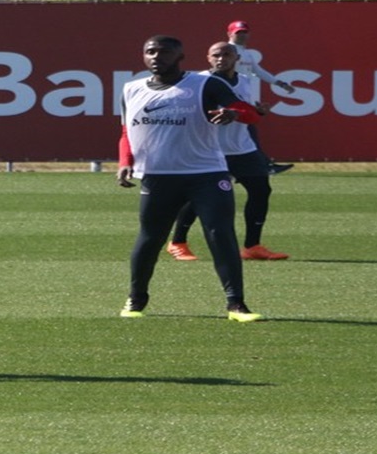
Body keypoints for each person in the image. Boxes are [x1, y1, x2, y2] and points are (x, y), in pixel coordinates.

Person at [116, 35, 263, 322]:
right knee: (150, 239)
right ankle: (136, 300)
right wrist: (125, 162)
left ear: (180, 56)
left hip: (205, 174)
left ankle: (236, 305)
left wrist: (232, 113)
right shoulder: (131, 89)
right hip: (158, 177)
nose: (156, 56)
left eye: (165, 52)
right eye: (150, 51)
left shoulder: (204, 83)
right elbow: (126, 132)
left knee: (220, 234)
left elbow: (249, 113)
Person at [166, 42, 290, 263]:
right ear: (208, 57)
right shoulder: (199, 81)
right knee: (197, 198)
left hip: (241, 148)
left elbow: (246, 111)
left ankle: (252, 246)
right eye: (216, 55)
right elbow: (189, 110)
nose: (221, 58)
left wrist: (257, 111)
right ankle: (177, 242)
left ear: (237, 58)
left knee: (261, 191)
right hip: (210, 149)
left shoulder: (244, 81)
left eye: (226, 54)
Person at [227, 20, 295, 174]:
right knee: (247, 135)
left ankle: (259, 166)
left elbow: (259, 71)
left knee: (247, 135)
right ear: (229, 34)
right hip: (229, 100)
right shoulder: (227, 50)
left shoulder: (247, 53)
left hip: (243, 99)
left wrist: (280, 83)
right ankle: (262, 166)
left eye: (244, 32)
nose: (242, 35)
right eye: (238, 32)